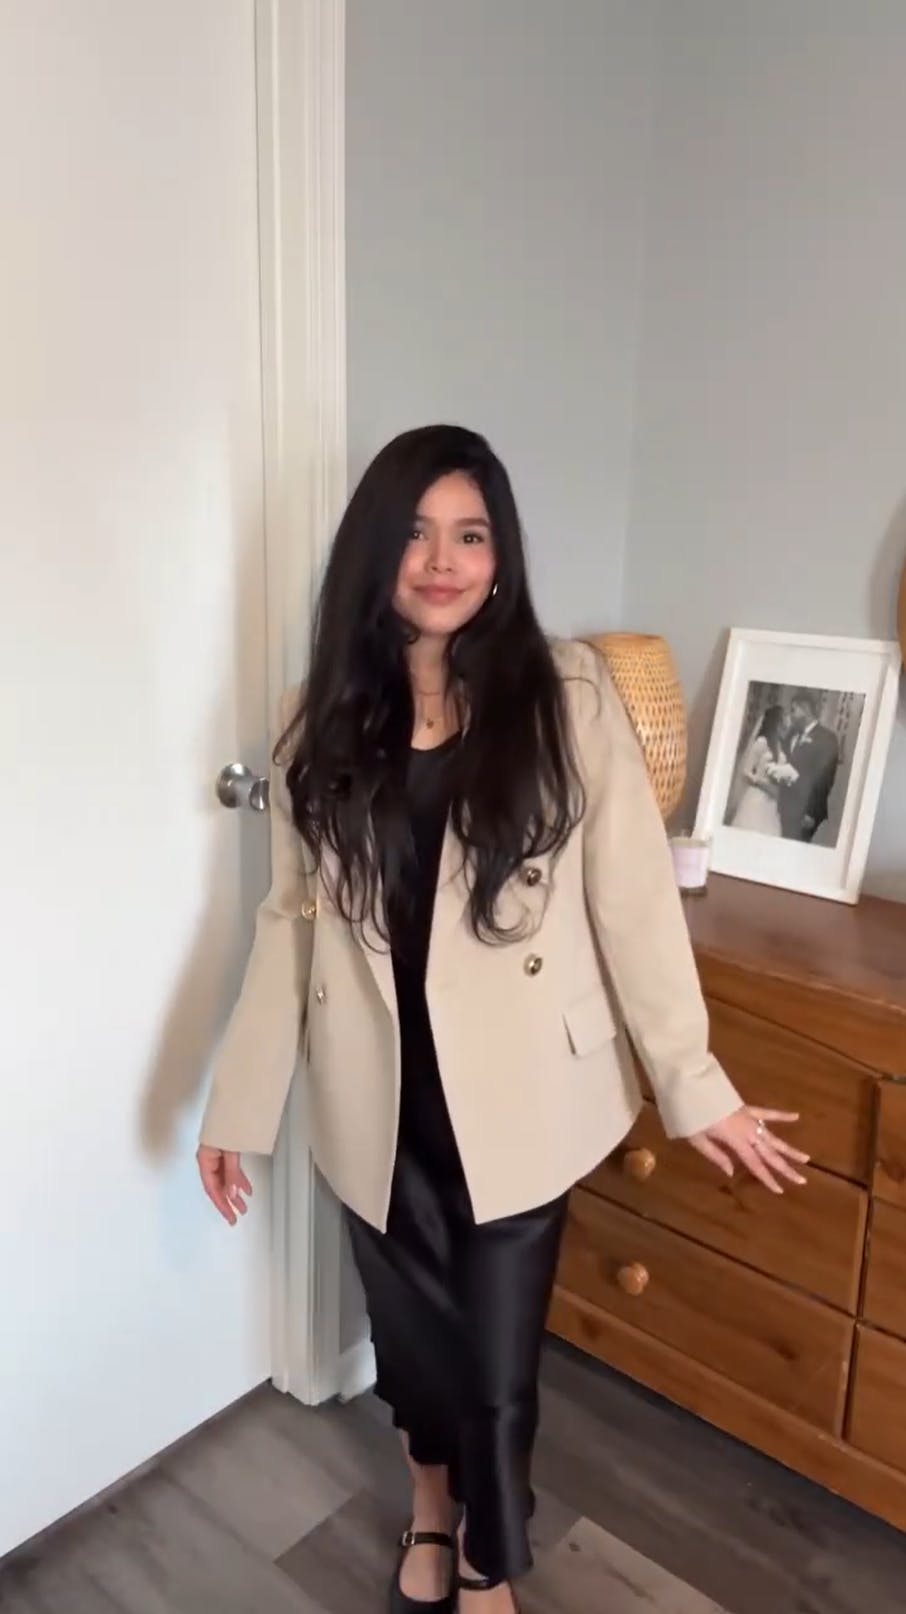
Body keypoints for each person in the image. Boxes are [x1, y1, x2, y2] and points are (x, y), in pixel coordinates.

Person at [196, 426, 808, 1614]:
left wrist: (694, 1083)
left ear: (500, 554)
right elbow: (290, 924)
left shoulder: (565, 693)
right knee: (412, 1347)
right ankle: (430, 1509)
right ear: (375, 551)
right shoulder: (312, 721)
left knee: (494, 1365)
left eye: (470, 535)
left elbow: (633, 901)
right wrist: (239, 1107)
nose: (443, 561)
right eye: (417, 534)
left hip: (520, 1096)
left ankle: (489, 1560)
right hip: (376, 1097)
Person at [772, 689, 839, 842]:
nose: (790, 714)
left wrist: (811, 812)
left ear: (805, 709)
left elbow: (825, 779)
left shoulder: (827, 738)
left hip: (804, 810)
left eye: (793, 710)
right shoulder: (792, 734)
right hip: (785, 805)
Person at [729, 704, 788, 835]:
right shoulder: (762, 742)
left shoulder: (780, 745)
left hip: (772, 802)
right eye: (784, 717)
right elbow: (746, 771)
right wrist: (761, 783)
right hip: (758, 797)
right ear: (776, 721)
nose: (787, 720)